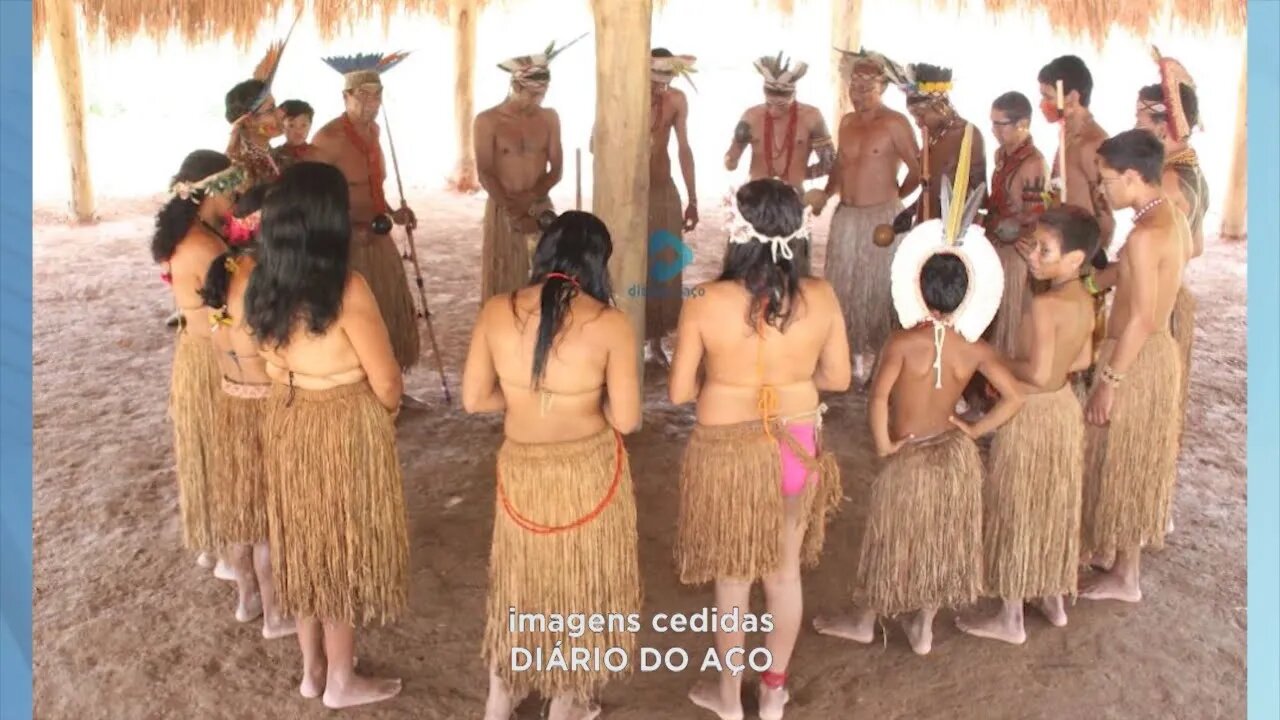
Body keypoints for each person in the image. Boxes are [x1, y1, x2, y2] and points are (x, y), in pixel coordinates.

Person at [815, 150, 1023, 655]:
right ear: (969, 294)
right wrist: (973, 430)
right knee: (937, 539)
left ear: (917, 286)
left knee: (894, 538)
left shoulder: (902, 342)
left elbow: (880, 395)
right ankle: (923, 627)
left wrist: (884, 443)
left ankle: (867, 620)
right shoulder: (974, 347)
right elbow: (1014, 397)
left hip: (908, 453)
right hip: (950, 450)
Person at [670, 179, 850, 720]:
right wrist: (793, 374)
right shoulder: (819, 296)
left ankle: (728, 699)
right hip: (796, 444)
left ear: (736, 232)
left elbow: (679, 391)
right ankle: (773, 690)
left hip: (726, 451)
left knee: (733, 577)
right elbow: (838, 378)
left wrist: (729, 388)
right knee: (784, 572)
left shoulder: (705, 299)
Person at [462, 211, 642, 720]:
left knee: (521, 586)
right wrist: (582, 403)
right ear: (598, 263)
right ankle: (565, 703)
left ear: (542, 254)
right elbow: (626, 420)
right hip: (586, 474)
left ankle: (501, 698)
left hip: (522, 473)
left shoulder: (498, 310)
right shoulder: (609, 324)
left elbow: (475, 399)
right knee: (581, 591)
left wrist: (525, 400)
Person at [245, 162, 409, 708]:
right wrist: (377, 417)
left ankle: (312, 670)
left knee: (304, 542)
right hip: (338, 422)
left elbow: (263, 361)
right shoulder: (347, 288)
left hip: (288, 417)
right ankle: (341, 679)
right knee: (335, 549)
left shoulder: (259, 281)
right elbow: (387, 381)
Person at [956, 206, 1099, 644]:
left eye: (1044, 249)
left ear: (1074, 259)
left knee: (1018, 503)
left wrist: (991, 360)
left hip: (1032, 412)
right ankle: (1052, 599)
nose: (1032, 255)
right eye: (1033, 245)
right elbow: (1083, 359)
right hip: (1061, 409)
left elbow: (1036, 375)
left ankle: (1011, 615)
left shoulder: (1044, 304)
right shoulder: (1085, 298)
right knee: (1051, 502)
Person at [1077, 129, 1188, 602]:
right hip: (1150, 352)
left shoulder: (1147, 234)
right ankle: (1114, 553)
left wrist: (1110, 380)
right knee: (1119, 455)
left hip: (1137, 357)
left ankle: (1127, 576)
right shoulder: (1167, 215)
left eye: (1106, 180)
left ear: (1132, 175)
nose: (1102, 189)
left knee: (1126, 459)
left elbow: (1142, 316)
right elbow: (1123, 274)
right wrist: (1085, 282)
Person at [198, 184, 295, 639]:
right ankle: (276, 616)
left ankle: (246, 601)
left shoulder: (225, 269)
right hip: (262, 410)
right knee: (268, 523)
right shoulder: (264, 279)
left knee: (242, 513)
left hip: (229, 404)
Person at [311, 51, 424, 408]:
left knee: (390, 308)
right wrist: (345, 230)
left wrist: (395, 211)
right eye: (361, 96)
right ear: (345, 97)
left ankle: (393, 389)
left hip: (378, 234)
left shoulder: (375, 133)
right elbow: (315, 196)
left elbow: (373, 186)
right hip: (348, 242)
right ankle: (365, 393)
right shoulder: (328, 138)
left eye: (375, 95)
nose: (370, 103)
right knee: (360, 317)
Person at [812, 49, 921, 385]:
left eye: (866, 87)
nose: (858, 93)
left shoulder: (895, 123)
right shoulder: (845, 123)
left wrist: (894, 202)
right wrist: (826, 195)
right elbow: (841, 167)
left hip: (882, 218)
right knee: (844, 289)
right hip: (847, 218)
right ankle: (851, 355)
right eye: (854, 86)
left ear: (883, 87)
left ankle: (880, 361)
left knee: (879, 293)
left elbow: (919, 171)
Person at [152, 150, 241, 565]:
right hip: (212, 355)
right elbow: (234, 306)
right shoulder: (204, 245)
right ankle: (225, 544)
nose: (238, 193)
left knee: (206, 446)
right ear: (213, 189)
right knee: (219, 445)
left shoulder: (191, 232)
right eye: (232, 185)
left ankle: (214, 540)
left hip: (196, 350)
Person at [1136, 49, 1206, 504]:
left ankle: (1149, 510)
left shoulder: (1169, 183)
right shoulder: (1189, 168)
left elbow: (1182, 246)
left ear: (1163, 125)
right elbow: (1195, 245)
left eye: (1141, 118)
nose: (1136, 126)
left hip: (1158, 306)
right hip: (1172, 294)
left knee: (1146, 419)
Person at [475, 37, 583, 303]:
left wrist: (532, 198)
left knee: (547, 283)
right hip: (504, 207)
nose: (537, 100)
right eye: (532, 94)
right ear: (515, 85)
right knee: (506, 285)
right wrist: (513, 211)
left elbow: (556, 168)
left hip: (540, 206)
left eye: (542, 94)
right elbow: (485, 172)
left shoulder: (549, 118)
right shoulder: (488, 121)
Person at [724, 53, 835, 276]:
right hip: (753, 203)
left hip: (793, 201)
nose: (774, 110)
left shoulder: (811, 117)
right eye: (770, 103)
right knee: (746, 268)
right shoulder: (751, 116)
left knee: (792, 270)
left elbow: (830, 162)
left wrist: (803, 174)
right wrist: (731, 159)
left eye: (781, 104)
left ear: (793, 94)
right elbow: (730, 160)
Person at [643, 49, 700, 366]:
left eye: (666, 82)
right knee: (631, 262)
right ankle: (631, 337)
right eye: (655, 82)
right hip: (631, 194)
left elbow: (683, 148)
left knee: (662, 263)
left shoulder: (676, 100)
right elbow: (600, 144)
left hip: (664, 190)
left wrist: (692, 199)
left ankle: (655, 342)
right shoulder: (625, 96)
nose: (660, 89)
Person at [983, 91, 1048, 357]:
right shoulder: (1001, 154)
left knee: (1009, 326)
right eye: (992, 123)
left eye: (1000, 124)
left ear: (1022, 124)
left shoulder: (1033, 163)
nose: (993, 130)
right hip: (995, 245)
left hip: (1015, 254)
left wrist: (1004, 225)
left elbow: (1035, 215)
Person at [892, 63, 987, 236]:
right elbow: (931, 188)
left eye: (921, 116)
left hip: (953, 232)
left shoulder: (969, 136)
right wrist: (911, 212)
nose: (918, 122)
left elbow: (981, 195)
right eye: (914, 117)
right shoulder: (932, 136)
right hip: (925, 226)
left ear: (941, 108)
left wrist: (973, 232)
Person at [1037, 55, 1115, 251]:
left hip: (1081, 257)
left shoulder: (1092, 144)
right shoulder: (1068, 136)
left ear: (1071, 97)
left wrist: (1092, 263)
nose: (1041, 104)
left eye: (1048, 97)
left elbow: (1105, 214)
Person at [273, 99, 316, 171]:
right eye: (291, 125)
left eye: (304, 125)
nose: (298, 131)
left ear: (310, 125)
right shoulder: (274, 156)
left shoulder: (316, 154)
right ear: (281, 126)